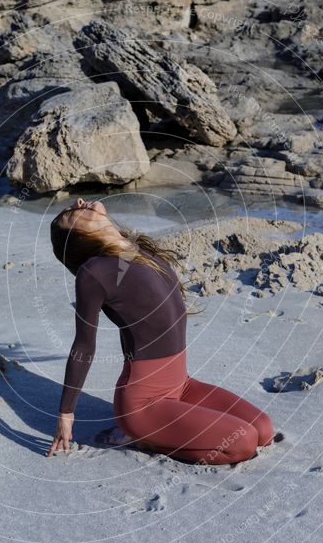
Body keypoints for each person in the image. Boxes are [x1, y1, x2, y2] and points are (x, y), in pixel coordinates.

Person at [48, 197, 275, 463]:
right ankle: (143, 436)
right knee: (243, 443)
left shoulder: (139, 250)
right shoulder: (94, 271)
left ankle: (155, 433)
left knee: (263, 429)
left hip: (182, 386)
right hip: (144, 403)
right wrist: (66, 413)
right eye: (71, 213)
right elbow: (84, 345)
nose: (79, 202)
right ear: (80, 238)